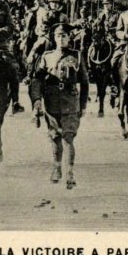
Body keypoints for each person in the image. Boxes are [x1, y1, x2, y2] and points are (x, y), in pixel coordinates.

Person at [29, 22, 89, 188]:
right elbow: (37, 80)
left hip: (71, 102)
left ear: (69, 38)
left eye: (64, 35)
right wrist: (37, 100)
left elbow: (84, 82)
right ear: (53, 38)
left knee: (68, 137)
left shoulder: (77, 55)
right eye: (57, 35)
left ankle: (70, 172)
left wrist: (83, 104)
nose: (61, 38)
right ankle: (56, 168)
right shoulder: (47, 56)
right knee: (55, 137)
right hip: (52, 102)